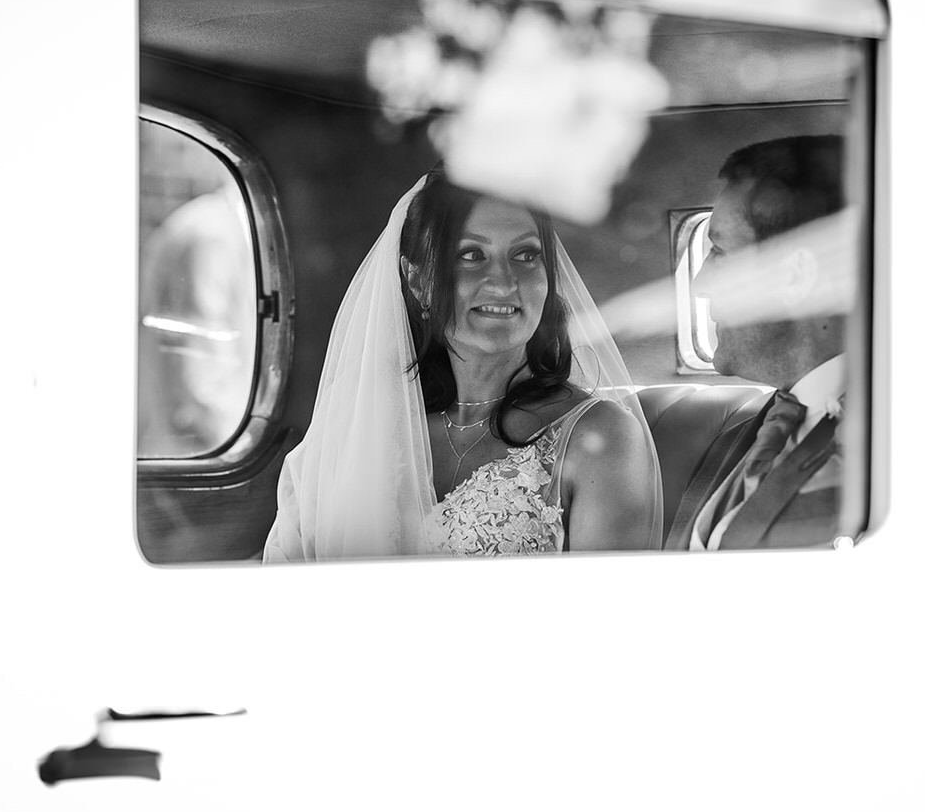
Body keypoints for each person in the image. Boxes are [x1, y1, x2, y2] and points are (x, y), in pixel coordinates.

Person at [264, 164, 662, 560]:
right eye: (471, 255)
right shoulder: (358, 420)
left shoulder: (602, 437)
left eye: (526, 254)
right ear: (417, 280)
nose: (504, 283)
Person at [665, 135, 849, 551]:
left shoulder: (910, 443)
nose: (700, 284)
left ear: (795, 278)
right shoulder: (765, 423)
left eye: (721, 253)